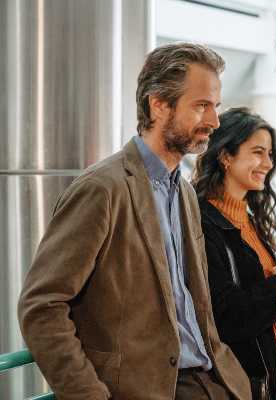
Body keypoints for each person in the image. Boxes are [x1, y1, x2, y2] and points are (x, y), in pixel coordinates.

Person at [18, 43, 250, 400]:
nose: (214, 122)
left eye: (215, 107)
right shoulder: (102, 189)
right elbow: (42, 306)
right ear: (158, 105)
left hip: (214, 382)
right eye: (201, 106)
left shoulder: (185, 193)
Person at [193, 107, 276, 400]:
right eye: (258, 152)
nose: (268, 163)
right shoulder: (202, 222)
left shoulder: (250, 217)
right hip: (247, 375)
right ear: (225, 156)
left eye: (270, 154)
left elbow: (260, 295)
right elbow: (228, 316)